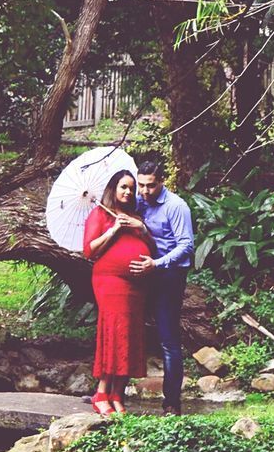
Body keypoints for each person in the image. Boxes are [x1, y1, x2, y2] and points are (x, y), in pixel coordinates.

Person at [83, 169, 154, 415]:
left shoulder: (136, 216)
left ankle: (118, 394)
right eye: (124, 187)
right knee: (114, 332)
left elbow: (153, 247)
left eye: (131, 189)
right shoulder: (100, 214)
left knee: (130, 334)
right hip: (110, 282)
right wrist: (113, 229)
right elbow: (89, 250)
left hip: (137, 285)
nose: (128, 192)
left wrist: (141, 228)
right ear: (113, 188)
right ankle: (101, 393)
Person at [129, 160, 195, 415]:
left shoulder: (176, 206)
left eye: (151, 186)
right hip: (143, 271)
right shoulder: (138, 200)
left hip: (169, 274)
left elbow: (186, 246)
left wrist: (156, 264)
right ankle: (111, 393)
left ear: (162, 181)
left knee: (168, 339)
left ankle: (171, 403)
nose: (144, 191)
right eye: (141, 185)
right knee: (129, 329)